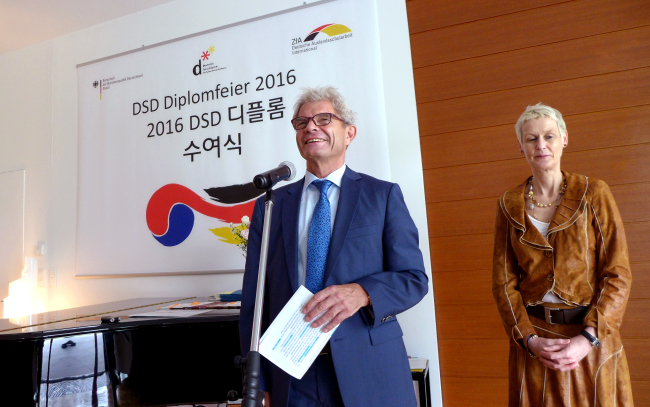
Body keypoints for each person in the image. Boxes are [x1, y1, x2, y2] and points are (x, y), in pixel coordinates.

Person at [239, 86, 428, 407]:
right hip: (291, 373)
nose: (311, 127)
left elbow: (414, 279)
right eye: (302, 123)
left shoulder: (382, 195)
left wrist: (363, 292)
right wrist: (258, 382)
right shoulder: (272, 206)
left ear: (349, 132)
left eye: (323, 119)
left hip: (367, 368)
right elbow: (254, 302)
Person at [492, 103, 634, 406]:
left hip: (591, 340)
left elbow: (617, 274)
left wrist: (588, 338)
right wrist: (529, 340)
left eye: (549, 136)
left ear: (564, 139)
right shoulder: (509, 204)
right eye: (531, 139)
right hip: (536, 344)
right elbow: (503, 283)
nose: (541, 145)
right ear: (521, 146)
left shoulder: (594, 192)